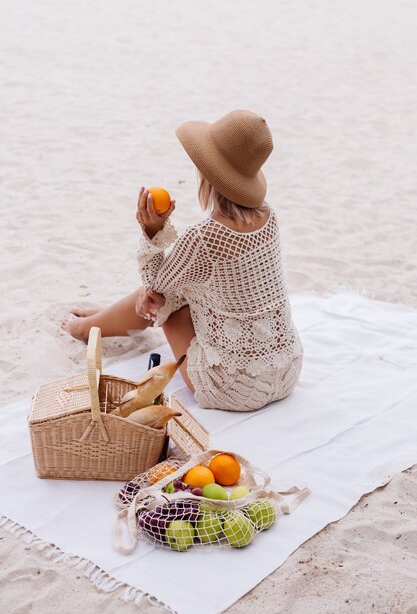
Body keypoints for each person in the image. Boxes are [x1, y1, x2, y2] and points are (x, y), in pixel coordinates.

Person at [63, 110, 303, 411]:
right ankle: (104, 318)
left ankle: (87, 329)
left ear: (207, 171)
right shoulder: (270, 216)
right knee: (176, 289)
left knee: (162, 300)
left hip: (233, 389)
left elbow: (154, 284)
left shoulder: (204, 236)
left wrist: (152, 230)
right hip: (286, 371)